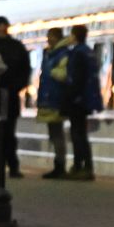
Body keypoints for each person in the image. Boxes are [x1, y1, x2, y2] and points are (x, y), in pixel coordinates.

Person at [0, 16, 31, 179]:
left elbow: (25, 70)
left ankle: (11, 165)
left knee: (8, 133)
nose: (1, 28)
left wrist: (17, 86)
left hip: (9, 95)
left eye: (3, 25)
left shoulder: (16, 47)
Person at [62, 25, 96, 181]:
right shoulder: (88, 51)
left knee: (77, 134)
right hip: (85, 99)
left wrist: (69, 97)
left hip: (76, 101)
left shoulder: (77, 53)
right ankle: (87, 166)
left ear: (74, 36)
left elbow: (75, 79)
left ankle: (79, 166)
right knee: (82, 134)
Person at [35, 27, 69, 178]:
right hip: (48, 98)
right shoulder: (49, 54)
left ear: (57, 38)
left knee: (57, 133)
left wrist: (51, 71)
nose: (48, 39)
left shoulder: (60, 54)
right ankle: (58, 164)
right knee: (54, 133)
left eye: (51, 36)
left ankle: (60, 165)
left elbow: (63, 74)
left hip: (56, 99)